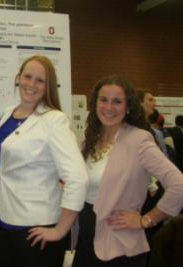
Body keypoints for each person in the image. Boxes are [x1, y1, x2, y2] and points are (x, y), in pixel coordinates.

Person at [0, 55, 88, 267]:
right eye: (27, 76)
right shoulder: (8, 113)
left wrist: (61, 230)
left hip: (35, 231)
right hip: (2, 223)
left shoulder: (54, 120)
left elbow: (78, 178)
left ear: (48, 86)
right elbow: (5, 162)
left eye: (40, 80)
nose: (31, 84)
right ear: (18, 78)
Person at [72, 75, 183, 267]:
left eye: (117, 101)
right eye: (104, 100)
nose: (109, 107)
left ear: (128, 106)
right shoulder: (89, 139)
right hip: (87, 238)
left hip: (119, 244)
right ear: (95, 103)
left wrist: (146, 220)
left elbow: (179, 185)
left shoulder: (139, 140)